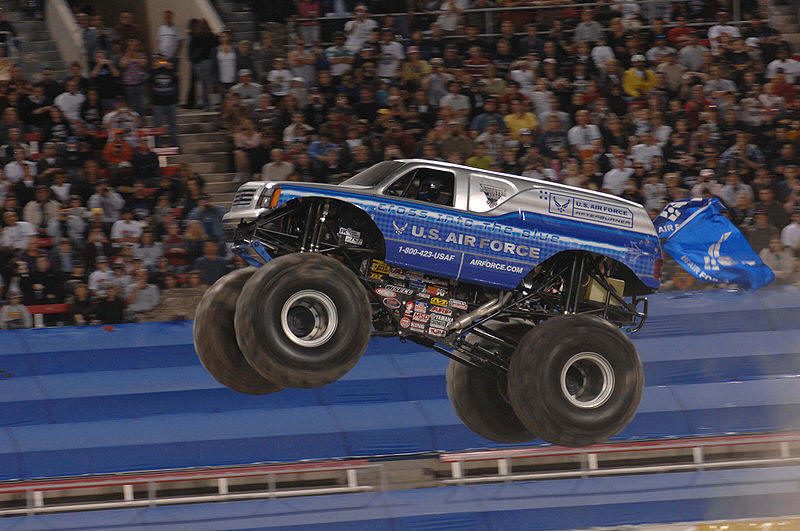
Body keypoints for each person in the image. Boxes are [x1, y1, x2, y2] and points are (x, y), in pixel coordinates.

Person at [151, 54, 179, 146]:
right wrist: (155, 68)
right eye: (160, 60)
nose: (162, 62)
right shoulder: (154, 70)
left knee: (173, 124)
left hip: (171, 101)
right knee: (157, 124)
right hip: (158, 102)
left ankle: (175, 145)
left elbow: (176, 82)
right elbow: (150, 80)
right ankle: (158, 145)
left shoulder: (171, 70)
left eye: (164, 60)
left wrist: (172, 69)